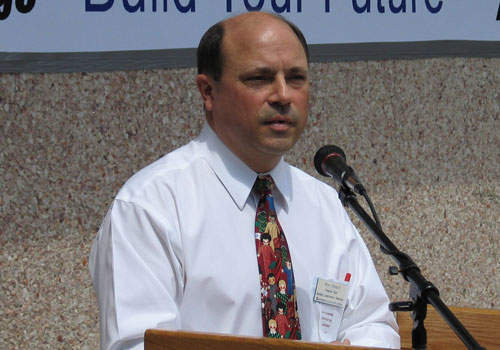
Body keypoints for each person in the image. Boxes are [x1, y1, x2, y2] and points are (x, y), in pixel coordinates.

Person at [89, 11, 400, 350]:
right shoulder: (152, 206)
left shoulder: (324, 205)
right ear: (208, 91)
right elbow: (137, 345)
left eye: (296, 78)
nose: (283, 95)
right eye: (259, 78)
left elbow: (374, 324)